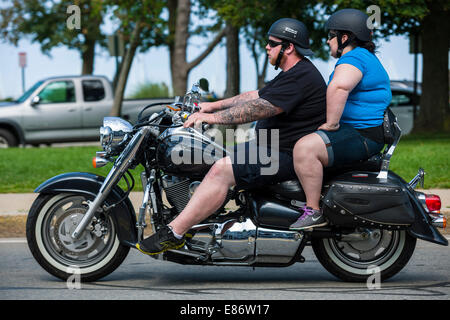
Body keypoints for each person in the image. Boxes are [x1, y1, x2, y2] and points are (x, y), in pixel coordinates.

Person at [136, 18, 327, 255]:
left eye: (272, 43)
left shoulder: (302, 76)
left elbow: (260, 108)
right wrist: (211, 106)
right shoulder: (294, 73)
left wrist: (212, 119)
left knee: (220, 169)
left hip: (281, 154)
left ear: (288, 47)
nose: (267, 47)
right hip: (270, 147)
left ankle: (174, 233)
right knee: (213, 156)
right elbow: (254, 95)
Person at [289, 8, 392, 230]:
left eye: (330, 36)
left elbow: (339, 86)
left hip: (361, 134)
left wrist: (331, 124)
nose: (327, 42)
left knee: (305, 149)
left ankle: (312, 211)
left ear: (344, 38)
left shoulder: (355, 57)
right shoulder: (365, 58)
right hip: (362, 132)